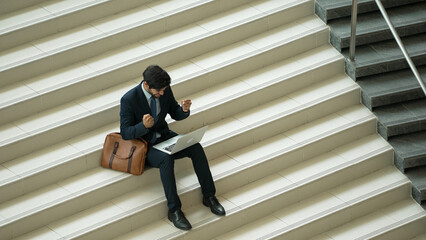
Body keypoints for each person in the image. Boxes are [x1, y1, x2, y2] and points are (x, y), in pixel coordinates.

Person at [120, 65, 225, 230]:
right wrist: (143, 126)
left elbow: (174, 112)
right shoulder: (129, 99)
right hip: (146, 146)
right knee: (166, 159)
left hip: (165, 136)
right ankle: (174, 210)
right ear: (146, 85)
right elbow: (125, 133)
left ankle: (209, 196)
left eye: (164, 90)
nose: (162, 94)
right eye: (159, 91)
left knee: (195, 147)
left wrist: (184, 110)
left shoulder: (164, 90)